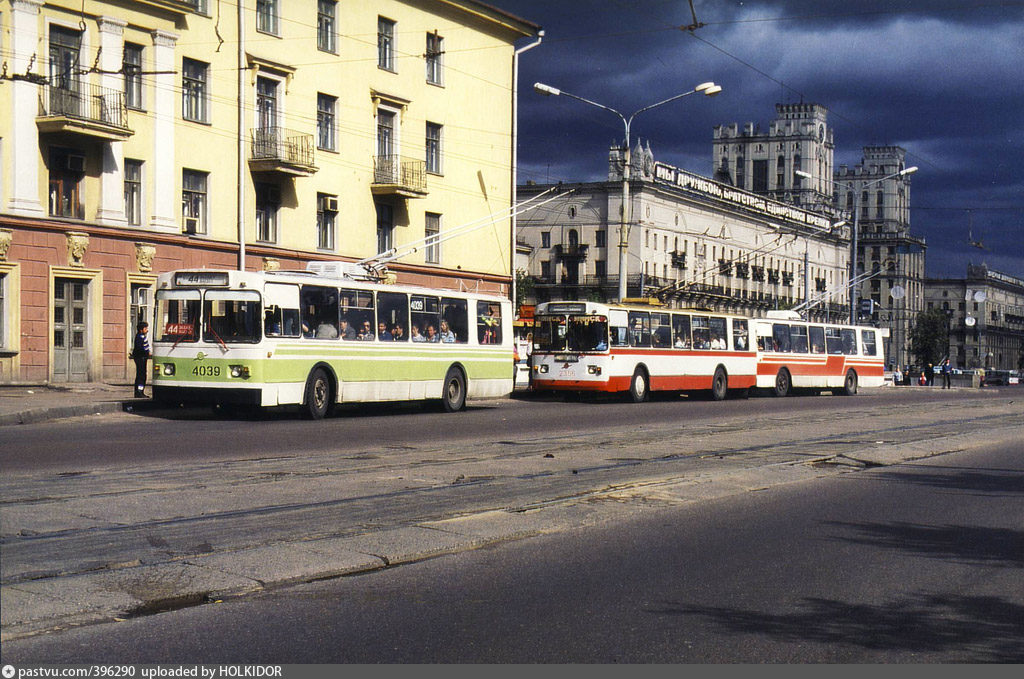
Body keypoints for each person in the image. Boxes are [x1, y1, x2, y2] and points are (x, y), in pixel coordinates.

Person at [130, 321, 151, 398]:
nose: (147, 330)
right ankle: (139, 392)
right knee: (141, 375)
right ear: (141, 330)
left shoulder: (142, 336)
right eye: (145, 328)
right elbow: (140, 348)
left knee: (142, 374)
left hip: (143, 357)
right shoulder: (139, 337)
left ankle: (140, 391)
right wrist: (146, 353)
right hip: (140, 358)